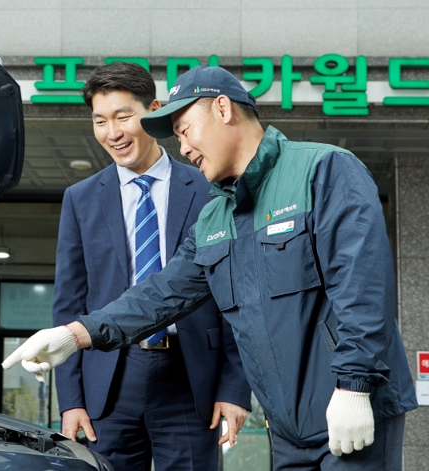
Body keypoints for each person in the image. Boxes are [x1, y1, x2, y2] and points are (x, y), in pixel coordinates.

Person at [3, 66, 418, 470]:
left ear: (222, 109)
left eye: (185, 130)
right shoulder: (218, 213)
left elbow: (363, 289)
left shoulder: (324, 170)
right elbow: (162, 293)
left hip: (348, 409)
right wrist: (75, 335)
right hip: (288, 429)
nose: (183, 148)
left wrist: (354, 385)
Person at [48, 62, 251, 471]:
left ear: (154, 110)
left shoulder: (209, 187)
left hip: (191, 379)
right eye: (100, 121)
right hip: (107, 380)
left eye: (123, 116)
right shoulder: (80, 199)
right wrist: (70, 400)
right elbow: (69, 301)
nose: (113, 132)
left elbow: (235, 294)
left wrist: (234, 388)